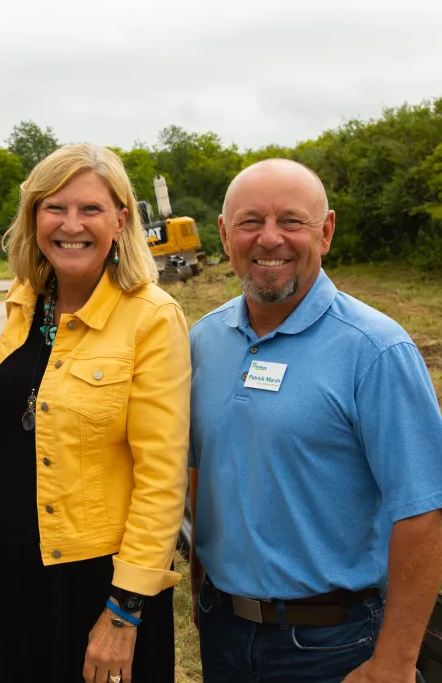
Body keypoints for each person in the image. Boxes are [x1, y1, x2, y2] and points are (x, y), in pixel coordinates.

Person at [189, 158, 442, 683]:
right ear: (224, 233)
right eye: (251, 222)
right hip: (223, 631)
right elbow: (200, 474)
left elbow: (425, 513)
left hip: (334, 644)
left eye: (292, 222)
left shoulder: (375, 349)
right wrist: (200, 591)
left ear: (325, 231)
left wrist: (393, 663)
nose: (270, 239)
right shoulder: (202, 344)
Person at [0, 143, 190, 683]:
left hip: (95, 585)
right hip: (4, 571)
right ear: (33, 218)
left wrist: (124, 610)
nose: (72, 224)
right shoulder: (26, 299)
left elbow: (162, 479)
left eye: (90, 209)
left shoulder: (151, 318)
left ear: (121, 219)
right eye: (54, 208)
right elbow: (10, 401)